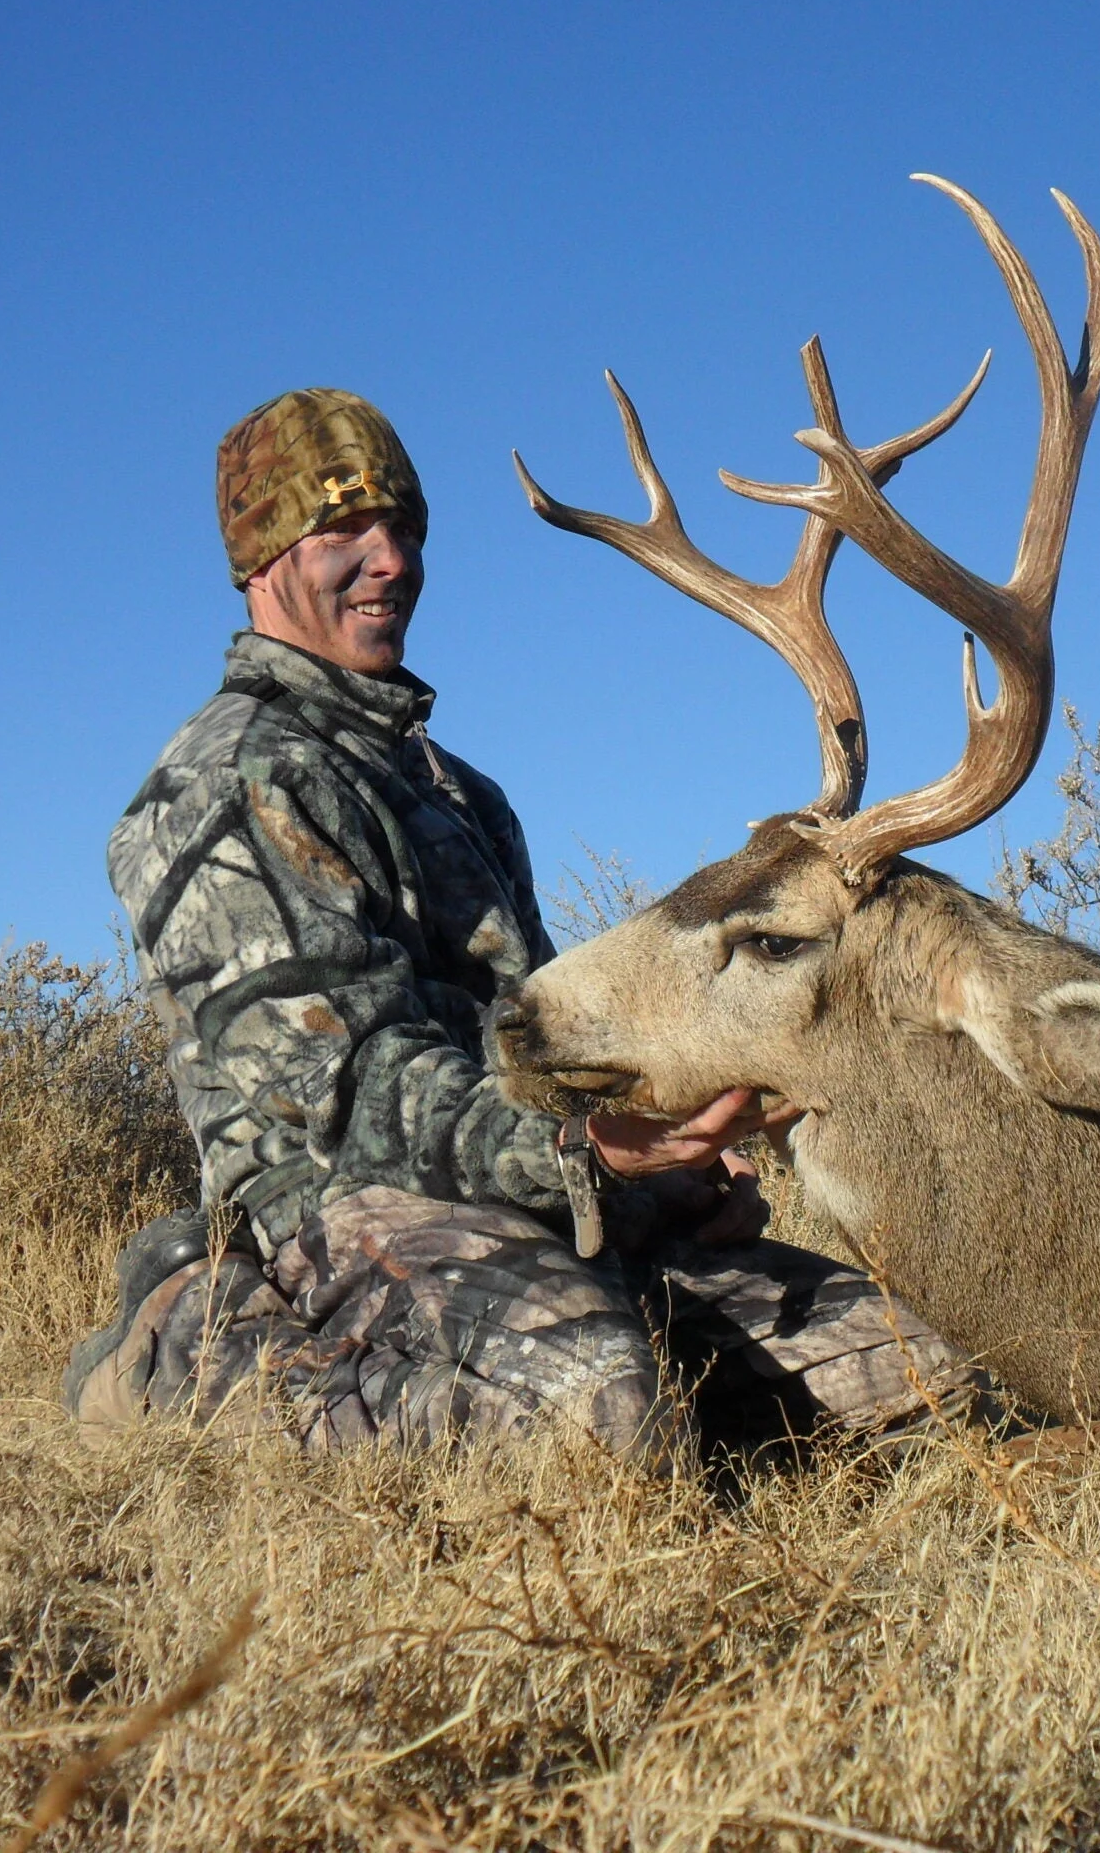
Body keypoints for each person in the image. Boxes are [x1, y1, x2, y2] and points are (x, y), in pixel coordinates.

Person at [64, 388, 975, 1466]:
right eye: (341, 531)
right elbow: (345, 1099)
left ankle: (653, 1396)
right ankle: (180, 1350)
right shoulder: (225, 783)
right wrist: (585, 1151)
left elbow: (536, 1048)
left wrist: (672, 1168)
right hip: (332, 1218)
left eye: (402, 528)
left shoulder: (460, 794)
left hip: (541, 1202)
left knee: (937, 1375)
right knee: (603, 1421)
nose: (389, 560)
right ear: (262, 563)